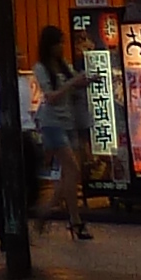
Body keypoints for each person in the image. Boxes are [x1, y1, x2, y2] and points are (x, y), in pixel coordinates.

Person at [30, 30, 93, 242]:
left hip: (69, 122)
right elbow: (51, 97)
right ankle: (65, 217)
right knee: (72, 169)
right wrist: (71, 84)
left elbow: (75, 81)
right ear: (49, 45)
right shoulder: (40, 68)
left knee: (70, 175)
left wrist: (86, 80)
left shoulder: (64, 64)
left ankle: (56, 215)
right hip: (52, 124)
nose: (61, 47)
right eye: (58, 43)